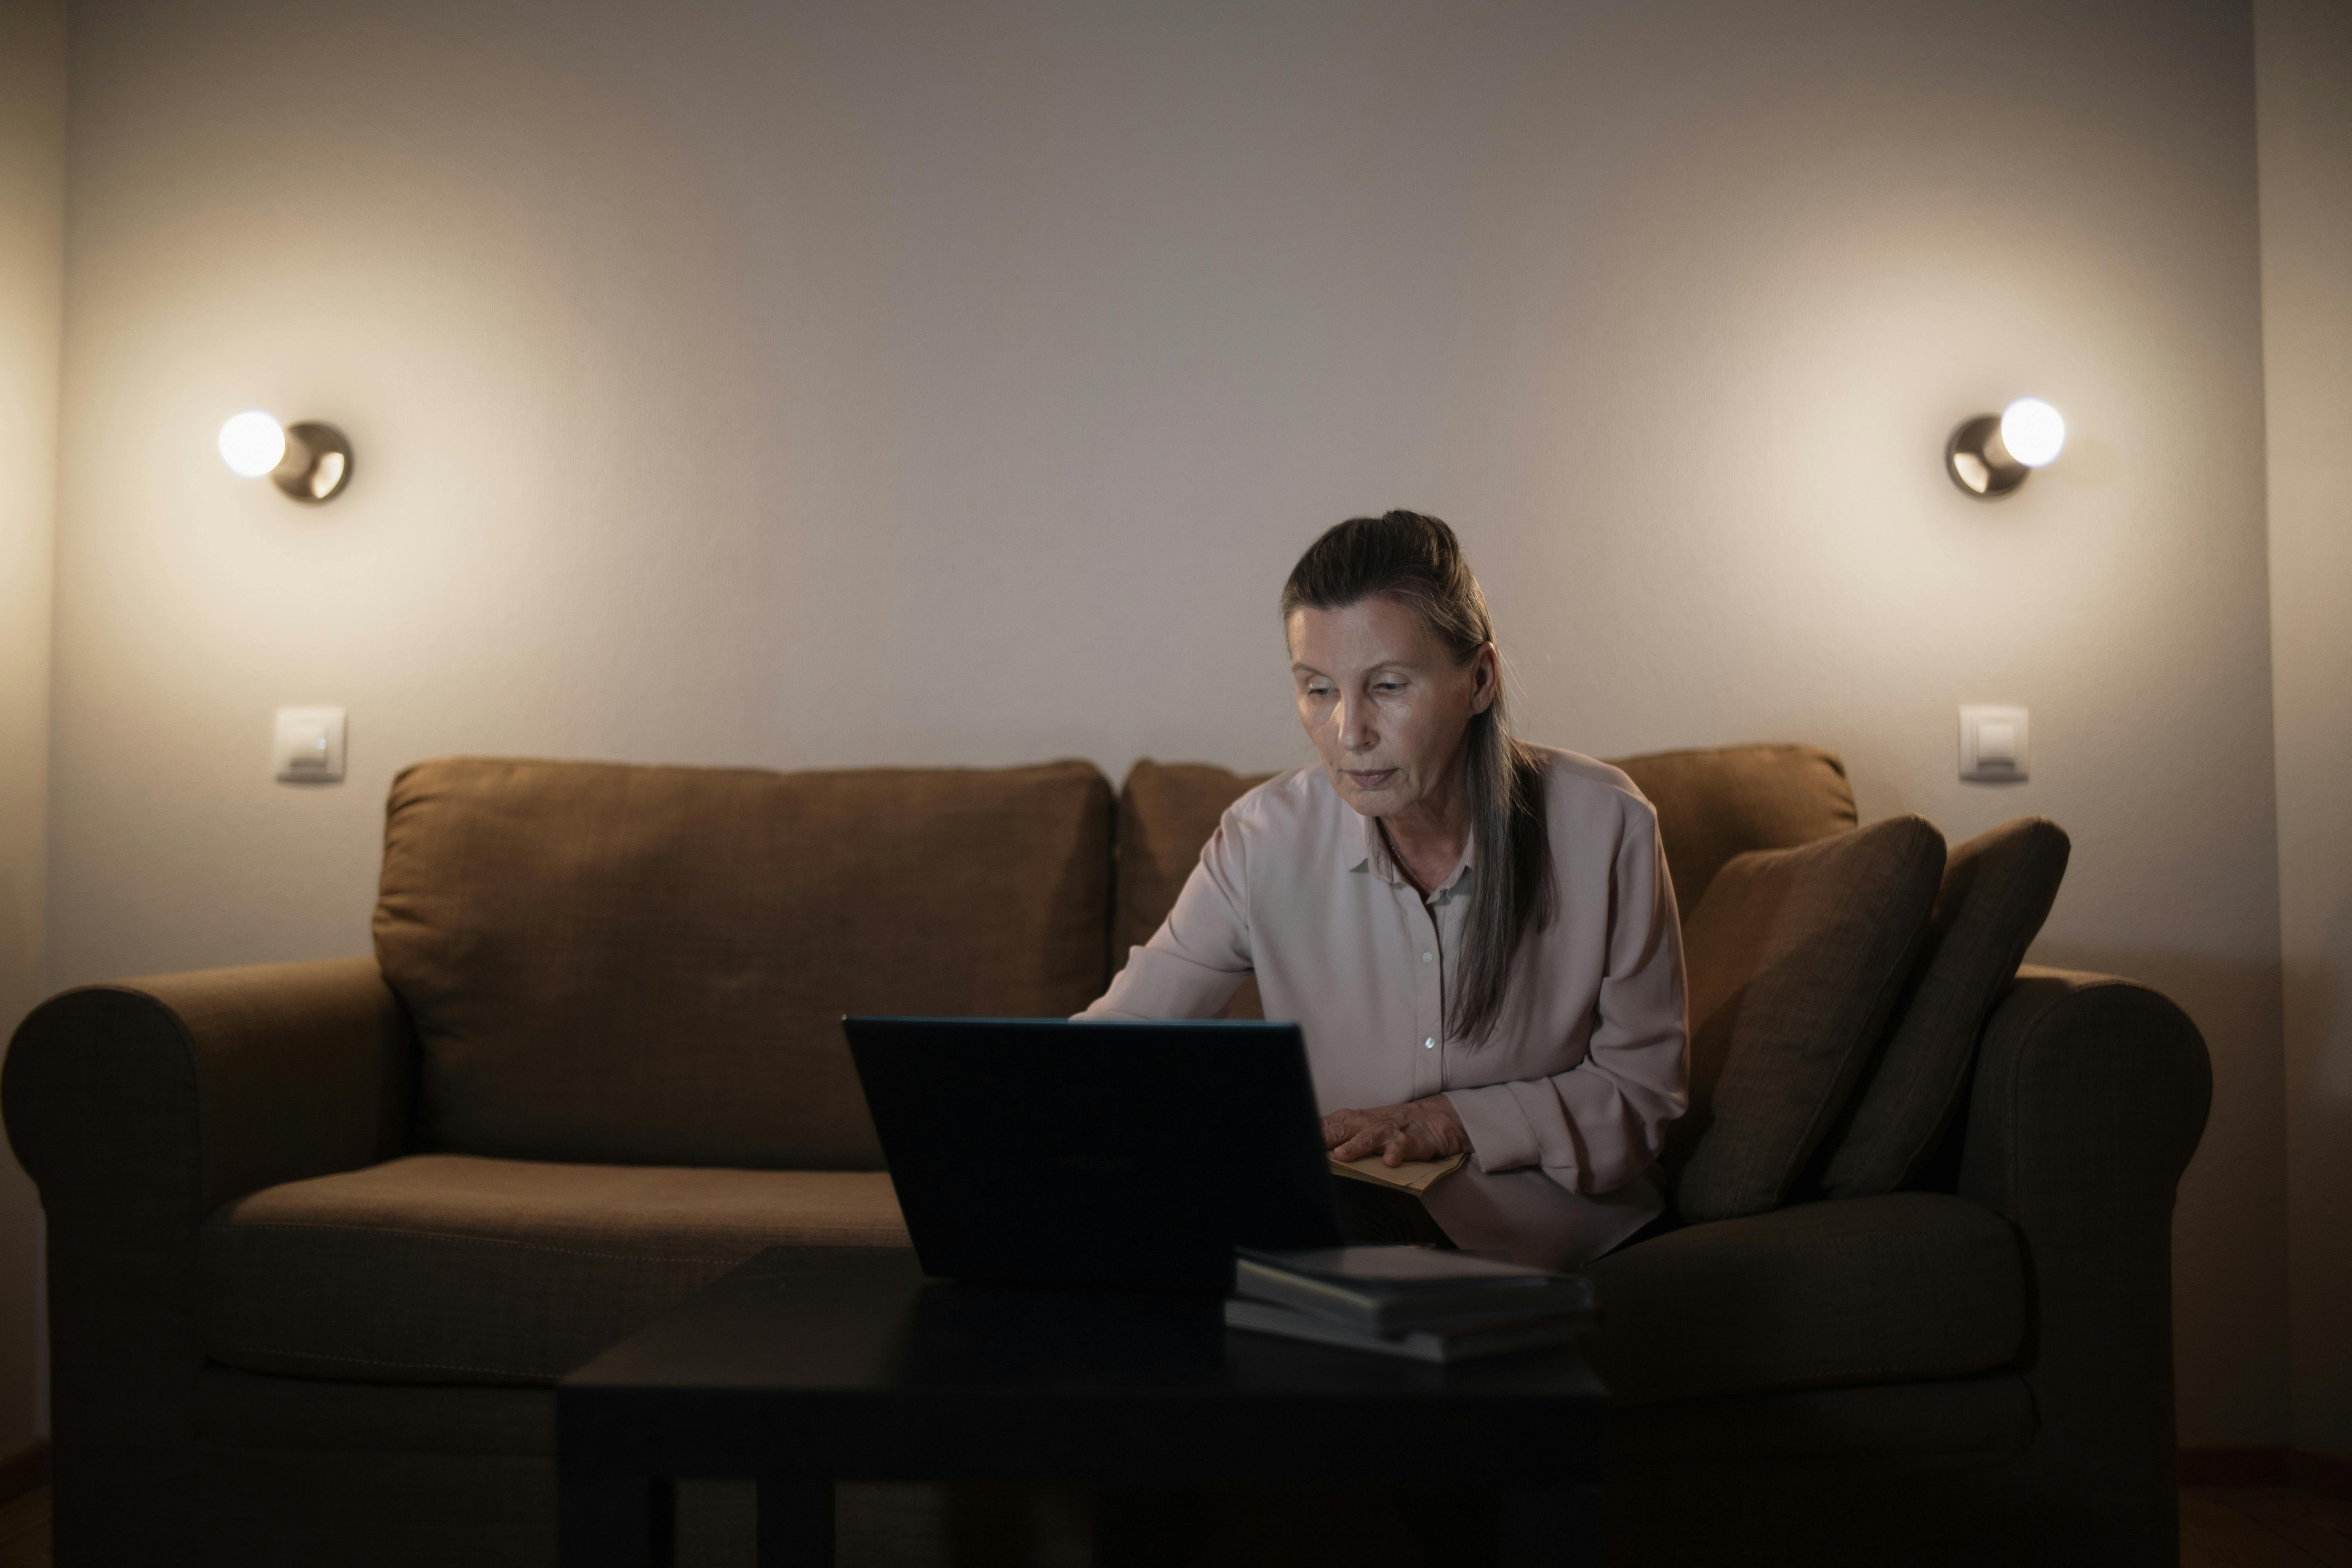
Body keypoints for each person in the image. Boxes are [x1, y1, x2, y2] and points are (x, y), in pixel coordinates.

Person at [1080, 510, 1688, 1268]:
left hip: (1554, 1230)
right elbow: (1115, 1048)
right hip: (1343, 1220)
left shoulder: (1607, 825)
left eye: (1389, 686)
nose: (1349, 731)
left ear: (1480, 679)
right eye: (1318, 690)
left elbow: (1643, 1093)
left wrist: (1454, 1121)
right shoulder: (1261, 839)